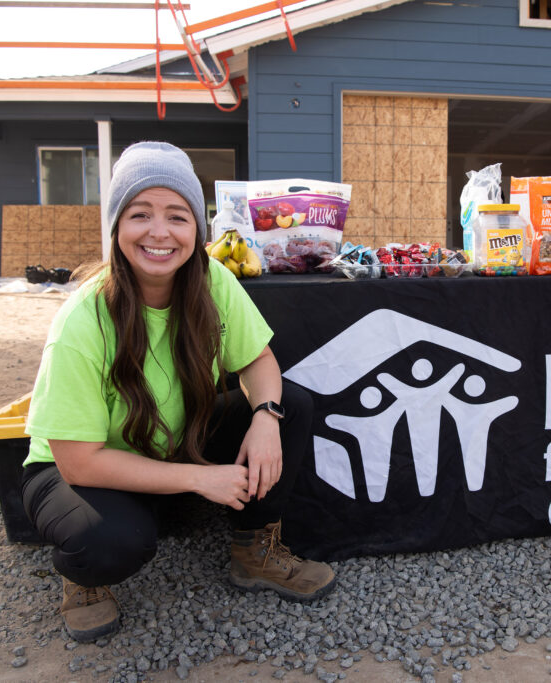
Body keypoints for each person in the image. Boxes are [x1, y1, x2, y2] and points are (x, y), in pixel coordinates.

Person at [21, 141, 335, 644]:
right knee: (111, 543)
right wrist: (197, 478)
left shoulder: (212, 281)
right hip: (78, 469)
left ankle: (254, 552)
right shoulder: (82, 321)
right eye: (140, 214)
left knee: (291, 404)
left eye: (177, 215)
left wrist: (265, 418)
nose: (159, 232)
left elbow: (257, 360)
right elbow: (79, 462)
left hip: (168, 438)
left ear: (198, 229)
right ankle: (83, 579)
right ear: (117, 227)